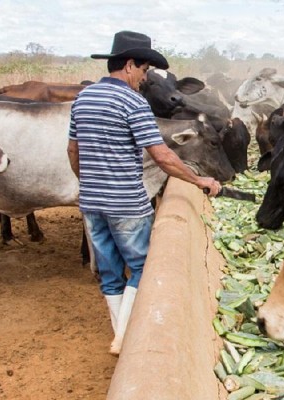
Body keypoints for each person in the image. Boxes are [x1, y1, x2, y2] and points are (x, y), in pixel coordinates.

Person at [66, 30, 221, 355]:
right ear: (130, 65)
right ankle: (125, 337)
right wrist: (198, 181)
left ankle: (119, 334)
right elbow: (161, 155)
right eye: (144, 71)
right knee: (141, 267)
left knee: (110, 273)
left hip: (92, 205)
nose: (145, 78)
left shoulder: (83, 98)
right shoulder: (133, 102)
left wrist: (90, 183)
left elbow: (72, 150)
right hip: (127, 204)